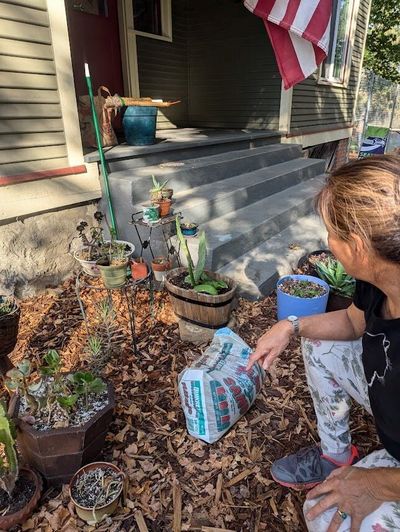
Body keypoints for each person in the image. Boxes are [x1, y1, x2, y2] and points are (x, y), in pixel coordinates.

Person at [247, 155, 400, 531]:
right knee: (319, 342)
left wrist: (374, 483)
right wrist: (291, 325)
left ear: (359, 246)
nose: (327, 243)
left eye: (331, 232)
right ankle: (336, 455)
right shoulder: (378, 279)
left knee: (324, 516)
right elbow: (351, 322)